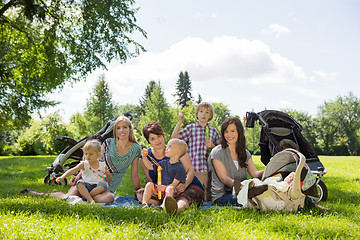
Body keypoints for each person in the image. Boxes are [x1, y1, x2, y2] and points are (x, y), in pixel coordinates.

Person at [20, 115, 142, 203]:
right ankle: (36, 193)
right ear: (115, 130)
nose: (121, 130)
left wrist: (137, 191)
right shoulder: (108, 142)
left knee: (108, 198)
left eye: (125, 127)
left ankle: (84, 198)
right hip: (88, 179)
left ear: (130, 129)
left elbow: (135, 172)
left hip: (105, 186)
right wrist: (78, 176)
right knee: (66, 196)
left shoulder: (135, 149)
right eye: (118, 128)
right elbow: (91, 162)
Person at [136, 122, 204, 212]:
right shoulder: (146, 156)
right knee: (140, 193)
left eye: (159, 136)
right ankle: (163, 203)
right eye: (153, 138)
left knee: (185, 197)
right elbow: (149, 179)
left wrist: (184, 184)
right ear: (148, 141)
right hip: (164, 188)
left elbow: (190, 170)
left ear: (163, 136)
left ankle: (176, 209)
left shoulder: (176, 149)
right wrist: (155, 190)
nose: (157, 141)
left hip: (185, 186)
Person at [208, 117, 264, 206]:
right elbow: (224, 178)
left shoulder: (245, 153)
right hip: (222, 195)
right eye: (226, 131)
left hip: (242, 192)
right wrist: (243, 188)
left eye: (233, 131)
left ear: (239, 132)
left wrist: (270, 168)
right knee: (247, 200)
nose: (229, 135)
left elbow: (255, 174)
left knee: (259, 197)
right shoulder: (217, 152)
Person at [171, 102, 220, 201]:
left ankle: (206, 209)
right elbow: (174, 137)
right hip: (193, 168)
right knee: (192, 192)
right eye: (201, 111)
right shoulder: (191, 128)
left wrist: (212, 146)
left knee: (207, 194)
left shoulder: (213, 131)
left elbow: (220, 149)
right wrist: (180, 121)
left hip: (207, 169)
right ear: (197, 114)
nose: (203, 114)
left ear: (210, 116)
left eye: (207, 112)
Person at [56, 139, 109, 204]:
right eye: (86, 153)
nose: (87, 156)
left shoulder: (102, 165)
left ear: (98, 154)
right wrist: (62, 177)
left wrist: (106, 175)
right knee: (80, 184)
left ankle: (85, 198)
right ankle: (90, 200)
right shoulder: (84, 164)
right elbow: (72, 170)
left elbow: (107, 177)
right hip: (86, 185)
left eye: (91, 154)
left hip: (97, 186)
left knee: (102, 186)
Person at [141, 139, 188, 213]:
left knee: (169, 188)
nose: (166, 148)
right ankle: (144, 204)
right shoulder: (163, 163)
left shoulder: (180, 167)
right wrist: (144, 156)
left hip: (173, 192)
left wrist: (164, 188)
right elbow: (149, 166)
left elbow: (174, 184)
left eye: (169, 147)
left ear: (178, 152)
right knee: (149, 184)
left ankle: (163, 207)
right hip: (160, 190)